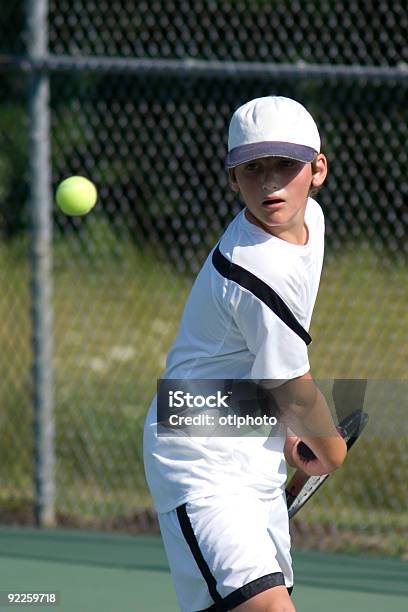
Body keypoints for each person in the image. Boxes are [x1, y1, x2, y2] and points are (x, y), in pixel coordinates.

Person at [143, 96, 347, 612]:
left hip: (247, 443)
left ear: (317, 170)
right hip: (198, 458)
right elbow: (294, 389)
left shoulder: (312, 224)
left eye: (286, 165)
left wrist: (283, 430)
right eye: (252, 169)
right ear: (233, 179)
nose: (270, 183)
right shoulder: (256, 268)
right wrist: (330, 449)